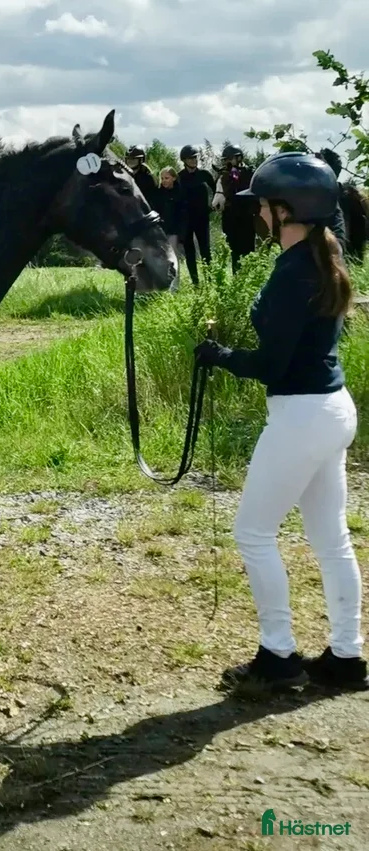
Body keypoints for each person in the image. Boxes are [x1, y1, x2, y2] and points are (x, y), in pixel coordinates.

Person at [194, 151, 367, 692]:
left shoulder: (297, 272)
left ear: (285, 210)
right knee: (331, 538)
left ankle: (279, 655)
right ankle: (346, 657)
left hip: (301, 414)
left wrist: (219, 356)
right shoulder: (319, 259)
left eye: (263, 206)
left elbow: (272, 363)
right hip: (331, 410)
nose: (257, 216)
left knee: (252, 532)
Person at [211, 144, 257, 274]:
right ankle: (236, 276)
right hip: (231, 218)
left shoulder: (249, 172)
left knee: (248, 250)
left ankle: (250, 277)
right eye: (225, 159)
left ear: (239, 158)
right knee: (234, 251)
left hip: (246, 217)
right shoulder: (224, 174)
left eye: (229, 159)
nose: (227, 162)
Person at [178, 144, 216, 285]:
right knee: (190, 252)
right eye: (190, 158)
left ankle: (210, 281)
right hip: (186, 220)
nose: (194, 160)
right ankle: (196, 283)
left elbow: (217, 190)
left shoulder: (205, 174)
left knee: (205, 250)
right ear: (184, 160)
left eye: (195, 157)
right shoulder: (179, 177)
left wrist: (212, 206)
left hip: (202, 218)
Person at [154, 167, 184, 289]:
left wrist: (182, 233)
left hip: (174, 231)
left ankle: (175, 286)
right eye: (162, 178)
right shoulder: (158, 193)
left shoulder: (180, 193)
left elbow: (183, 214)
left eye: (167, 178)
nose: (164, 181)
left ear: (174, 178)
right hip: (161, 230)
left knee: (173, 258)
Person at [125, 145, 159, 209]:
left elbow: (154, 200)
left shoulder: (148, 178)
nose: (131, 162)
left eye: (134, 160)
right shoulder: (124, 176)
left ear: (141, 160)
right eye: (129, 160)